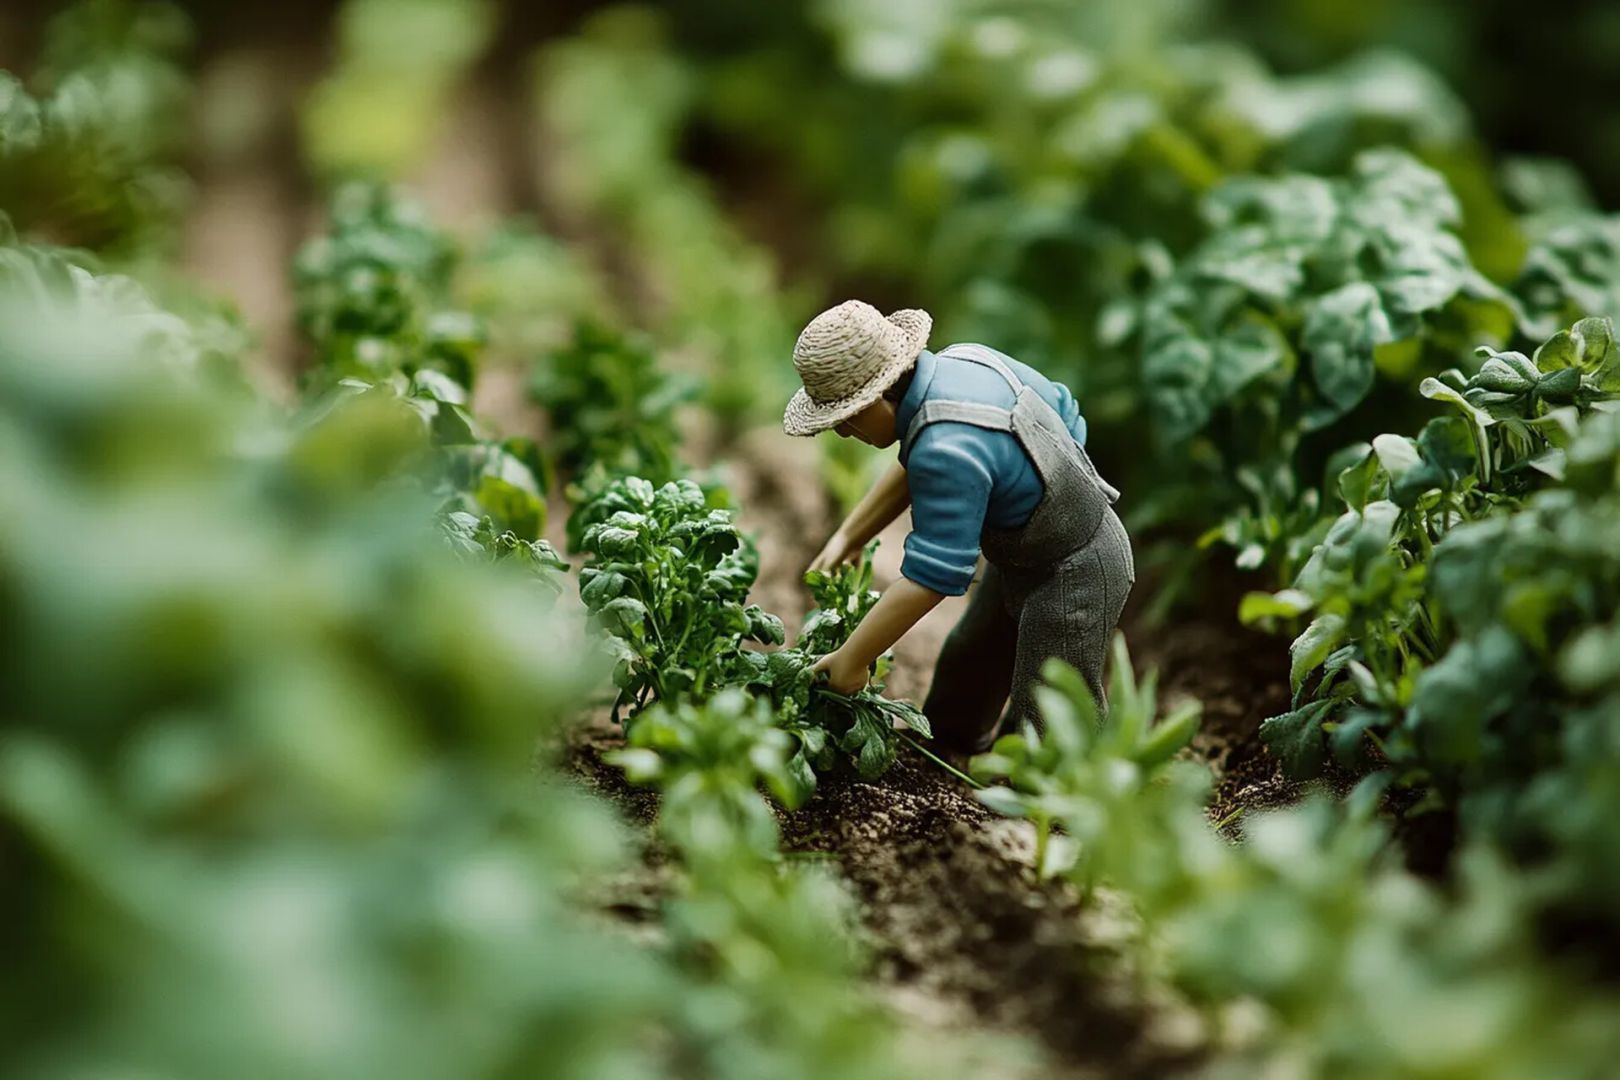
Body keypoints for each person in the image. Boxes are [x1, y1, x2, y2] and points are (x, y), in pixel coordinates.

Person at [784, 299, 1134, 754]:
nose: (845, 432)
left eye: (847, 416)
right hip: (1024, 552)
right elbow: (1064, 410)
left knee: (1051, 697)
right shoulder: (962, 365)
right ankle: (948, 746)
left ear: (880, 396)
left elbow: (932, 577)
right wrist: (851, 535)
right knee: (973, 656)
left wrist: (852, 659)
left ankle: (1049, 784)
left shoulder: (944, 445)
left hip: (1079, 564)